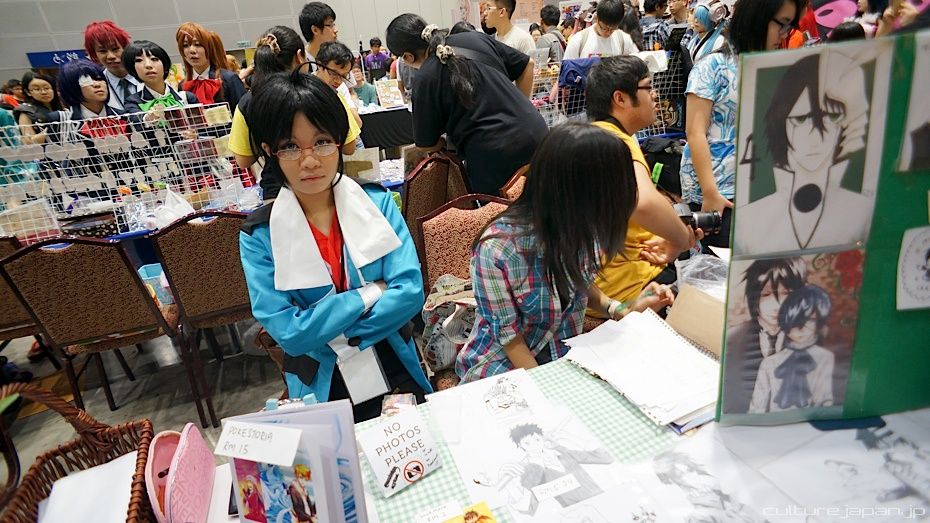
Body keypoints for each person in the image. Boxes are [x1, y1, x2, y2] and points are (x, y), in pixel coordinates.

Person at [239, 72, 431, 422]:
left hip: (391, 359)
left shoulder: (377, 203)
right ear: (270, 151)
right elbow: (290, 334)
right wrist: (371, 293)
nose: (310, 160)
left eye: (322, 142)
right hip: (321, 378)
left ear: (339, 142)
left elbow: (410, 292)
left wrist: (330, 328)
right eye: (291, 146)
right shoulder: (259, 235)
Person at [455, 123, 674, 383]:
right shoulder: (497, 251)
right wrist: (553, 388)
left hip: (565, 354)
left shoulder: (588, 227)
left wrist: (621, 309)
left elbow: (580, 283)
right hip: (502, 366)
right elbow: (510, 341)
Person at [680, 0, 803, 249]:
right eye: (781, 24)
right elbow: (695, 132)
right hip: (719, 191)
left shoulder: (771, 66)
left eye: (789, 26)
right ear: (757, 19)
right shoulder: (713, 66)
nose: (784, 34)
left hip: (759, 188)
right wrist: (710, 193)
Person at [584, 56, 698, 316]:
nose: (655, 95)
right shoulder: (618, 143)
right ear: (620, 98)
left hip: (604, 285)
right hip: (632, 288)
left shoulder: (596, 137)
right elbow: (643, 203)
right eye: (648, 87)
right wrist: (681, 238)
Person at [386, 14, 547, 195]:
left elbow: (425, 144)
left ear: (407, 57)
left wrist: (446, 141)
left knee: (503, 211)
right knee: (546, 202)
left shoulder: (425, 79)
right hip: (539, 134)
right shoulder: (475, 38)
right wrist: (520, 108)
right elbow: (527, 65)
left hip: (495, 155)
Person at [734, 52, 873, 256]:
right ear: (781, 123)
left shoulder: (862, 211)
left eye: (831, 117)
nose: (815, 136)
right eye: (800, 119)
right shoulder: (749, 218)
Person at [228, 25, 357, 202]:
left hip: (276, 194)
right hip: (324, 187)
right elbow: (350, 146)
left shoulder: (247, 102)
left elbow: (243, 160)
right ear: (299, 56)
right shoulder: (323, 93)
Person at [722, 258, 807, 414]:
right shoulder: (733, 339)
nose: (777, 305)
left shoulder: (808, 338)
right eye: (766, 294)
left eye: (786, 293)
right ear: (753, 296)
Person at [750, 284, 836, 413]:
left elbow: (824, 399)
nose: (802, 328)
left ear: (819, 321)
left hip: (809, 421)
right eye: (797, 321)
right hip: (775, 422)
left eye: (811, 320)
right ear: (786, 320)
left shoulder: (824, 357)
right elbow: (757, 406)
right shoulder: (770, 363)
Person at [175, 22, 247, 111]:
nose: (192, 50)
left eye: (197, 44)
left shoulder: (229, 79)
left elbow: (244, 112)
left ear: (208, 48)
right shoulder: (182, 86)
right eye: (185, 45)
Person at [122, 40, 198, 116]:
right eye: (139, 60)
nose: (148, 65)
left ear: (164, 64)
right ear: (133, 69)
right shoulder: (133, 102)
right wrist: (148, 118)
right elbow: (136, 119)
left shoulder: (187, 98)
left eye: (154, 59)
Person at [83, 20, 142, 112]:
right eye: (102, 51)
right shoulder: (94, 86)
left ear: (126, 47)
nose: (111, 56)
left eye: (115, 49)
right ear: (94, 54)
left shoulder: (147, 75)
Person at [314, 41, 364, 133]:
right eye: (333, 74)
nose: (338, 81)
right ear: (319, 65)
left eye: (344, 76)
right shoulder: (307, 87)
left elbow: (357, 123)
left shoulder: (341, 88)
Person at [563, 0, 639, 59]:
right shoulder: (578, 40)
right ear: (596, 19)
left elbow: (637, 63)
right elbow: (567, 71)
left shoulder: (623, 39)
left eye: (613, 29)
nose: (608, 33)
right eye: (605, 28)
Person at [13, 72, 62, 146]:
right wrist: (50, 129)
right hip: (47, 151)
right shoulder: (26, 111)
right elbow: (29, 142)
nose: (43, 92)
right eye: (37, 89)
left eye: (46, 88)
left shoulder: (63, 105)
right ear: (28, 92)